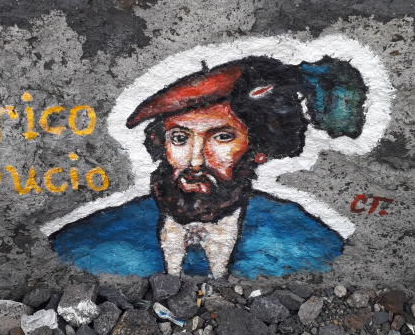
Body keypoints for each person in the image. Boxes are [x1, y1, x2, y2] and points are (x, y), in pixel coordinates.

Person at [50, 56, 367, 279]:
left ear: (257, 150)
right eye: (179, 138)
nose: (196, 161)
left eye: (222, 137)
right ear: (161, 145)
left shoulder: (305, 240)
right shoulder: (92, 239)